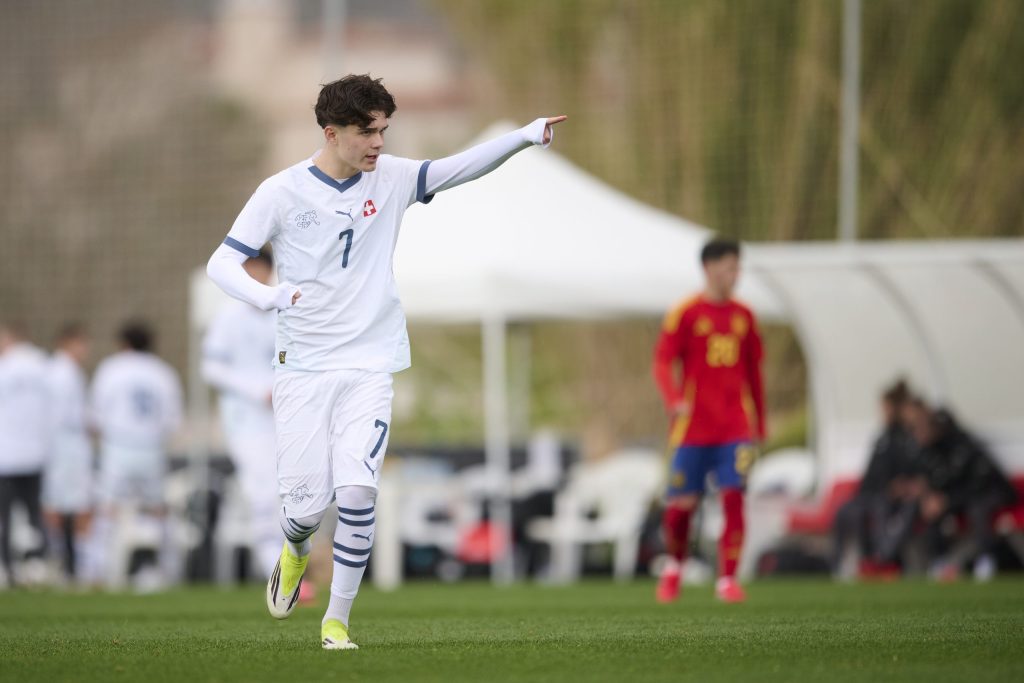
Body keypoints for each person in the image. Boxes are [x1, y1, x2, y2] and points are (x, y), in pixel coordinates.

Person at [206, 73, 565, 649]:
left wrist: (524, 136)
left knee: (358, 494)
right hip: (302, 370)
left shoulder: (392, 177)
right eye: (366, 132)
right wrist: (268, 296)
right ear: (332, 133)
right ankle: (295, 550)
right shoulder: (281, 191)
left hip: (370, 365)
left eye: (383, 131)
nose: (378, 143)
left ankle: (336, 621)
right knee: (304, 511)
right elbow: (221, 264)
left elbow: (458, 168)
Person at [652, 238, 765, 604]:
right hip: (693, 429)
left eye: (737, 267)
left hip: (735, 427)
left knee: (734, 498)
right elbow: (662, 362)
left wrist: (760, 423)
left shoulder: (745, 316)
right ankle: (674, 567)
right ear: (709, 268)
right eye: (729, 267)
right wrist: (674, 400)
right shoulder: (685, 313)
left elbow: (754, 373)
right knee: (680, 507)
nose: (735, 274)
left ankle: (727, 579)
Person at [202, 249, 287, 581]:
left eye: (260, 270)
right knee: (262, 490)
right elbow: (211, 368)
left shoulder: (283, 312)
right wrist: (257, 390)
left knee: (287, 491)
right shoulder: (229, 316)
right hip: (246, 420)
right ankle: (275, 570)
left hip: (283, 417)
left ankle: (288, 567)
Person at [90, 321, 183, 590]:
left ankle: (98, 570)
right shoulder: (163, 372)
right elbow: (173, 420)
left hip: (118, 448)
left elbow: (96, 415)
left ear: (124, 344)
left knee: (108, 510)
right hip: (151, 448)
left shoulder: (111, 368)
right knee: (155, 511)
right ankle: (161, 570)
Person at [902, 398, 1017, 582]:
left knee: (978, 509)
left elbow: (977, 483)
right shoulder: (930, 451)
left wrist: (946, 500)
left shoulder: (960, 444)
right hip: (964, 496)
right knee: (930, 512)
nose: (916, 435)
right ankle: (939, 562)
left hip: (993, 490)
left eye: (919, 429)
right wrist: (929, 497)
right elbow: (940, 482)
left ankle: (987, 560)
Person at [831, 379, 917, 578]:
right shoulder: (882, 438)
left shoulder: (905, 439)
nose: (883, 412)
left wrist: (898, 487)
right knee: (845, 511)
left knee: (878, 509)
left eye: (886, 407)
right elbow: (871, 475)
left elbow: (908, 473)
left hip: (888, 498)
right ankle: (838, 564)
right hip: (869, 494)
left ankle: (881, 560)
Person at [41, 323, 96, 586]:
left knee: (69, 504)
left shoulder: (67, 372)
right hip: (65, 447)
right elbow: (64, 417)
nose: (85, 350)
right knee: (65, 504)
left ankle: (69, 560)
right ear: (66, 343)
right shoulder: (62, 374)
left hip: (68, 447)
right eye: (81, 344)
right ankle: (65, 559)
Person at [0, 322, 52, 587]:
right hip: (36, 453)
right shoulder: (44, 366)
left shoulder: (5, 367)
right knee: (34, 512)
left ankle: (6, 566)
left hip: (7, 455)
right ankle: (37, 563)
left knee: (5, 515)